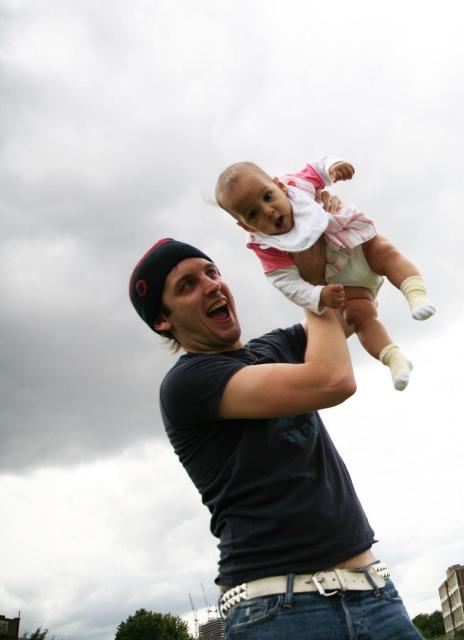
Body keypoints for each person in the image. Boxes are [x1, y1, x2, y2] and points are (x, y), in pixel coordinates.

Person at [129, 238, 424, 639]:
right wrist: (308, 286)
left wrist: (325, 237)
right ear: (163, 321)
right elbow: (332, 379)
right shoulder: (186, 384)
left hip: (374, 594)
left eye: (212, 272)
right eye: (187, 285)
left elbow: (353, 307)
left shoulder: (277, 346)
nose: (212, 285)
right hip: (277, 612)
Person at [215, 157, 436, 391]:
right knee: (359, 317)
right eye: (253, 214)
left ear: (279, 186)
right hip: (342, 285)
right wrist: (318, 296)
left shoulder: (297, 187)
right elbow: (286, 282)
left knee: (385, 253)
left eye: (268, 197)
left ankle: (416, 294)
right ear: (247, 227)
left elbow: (316, 169)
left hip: (355, 247)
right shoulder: (266, 247)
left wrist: (334, 168)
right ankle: (394, 359)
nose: (268, 211)